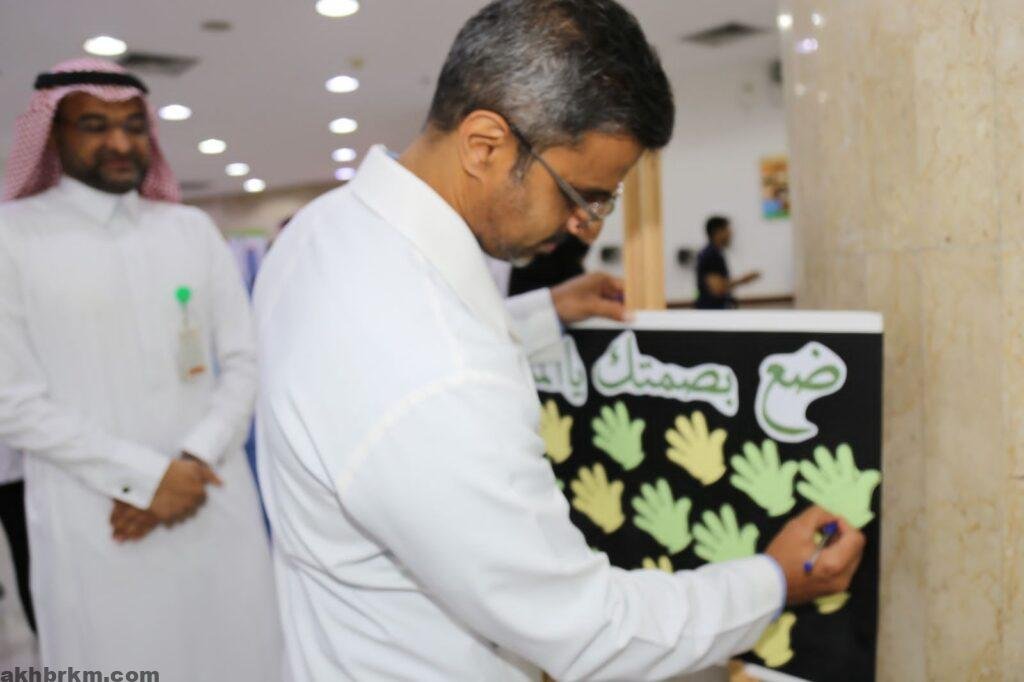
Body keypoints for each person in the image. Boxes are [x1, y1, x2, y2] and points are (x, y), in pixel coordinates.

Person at [255, 2, 865, 680]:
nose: (589, 226)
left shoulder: (320, 232)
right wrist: (773, 580)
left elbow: (387, 377)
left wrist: (542, 311)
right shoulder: (440, 376)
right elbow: (585, 629)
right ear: (485, 145)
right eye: (583, 194)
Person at [0, 58, 282, 679]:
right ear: (52, 134)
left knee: (240, 655)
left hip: (211, 494)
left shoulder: (191, 229)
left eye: (133, 126)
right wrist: (146, 480)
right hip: (96, 514)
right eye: (94, 126)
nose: (120, 143)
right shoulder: (11, 237)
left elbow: (244, 361)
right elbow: (11, 400)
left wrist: (192, 462)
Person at [0, 445, 34, 634]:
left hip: (14, 477)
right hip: (12, 477)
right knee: (25, 555)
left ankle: (39, 626)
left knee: (25, 555)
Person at [695, 215, 761, 309]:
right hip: (711, 311)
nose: (731, 233)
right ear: (718, 232)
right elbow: (717, 288)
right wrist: (744, 279)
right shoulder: (710, 254)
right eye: (727, 229)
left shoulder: (715, 253)